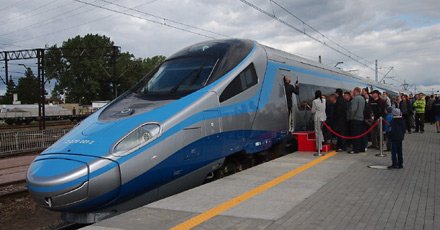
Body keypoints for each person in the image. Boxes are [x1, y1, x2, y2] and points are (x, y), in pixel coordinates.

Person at [348, 87, 365, 153]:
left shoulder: (355, 98)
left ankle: (355, 149)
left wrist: (351, 117)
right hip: (361, 118)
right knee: (360, 135)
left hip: (355, 119)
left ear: (355, 91)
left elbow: (353, 109)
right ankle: (361, 148)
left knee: (355, 135)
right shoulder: (362, 98)